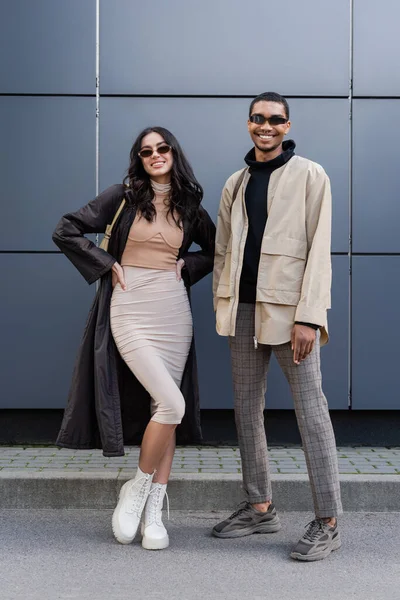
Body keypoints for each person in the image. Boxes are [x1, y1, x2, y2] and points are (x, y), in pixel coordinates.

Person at [53, 126, 215, 550]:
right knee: (173, 402)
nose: (156, 155)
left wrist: (190, 266)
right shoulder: (121, 195)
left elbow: (218, 250)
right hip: (130, 307)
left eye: (162, 148)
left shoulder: (189, 203)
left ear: (174, 152)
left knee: (166, 408)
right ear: (139, 159)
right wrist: (106, 263)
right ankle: (137, 489)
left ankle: (154, 512)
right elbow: (66, 229)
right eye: (147, 151)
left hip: (173, 310)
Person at [212, 92, 342, 561]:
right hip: (244, 311)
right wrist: (224, 306)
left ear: (287, 125)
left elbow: (320, 249)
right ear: (248, 123)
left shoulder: (310, 174)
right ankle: (260, 506)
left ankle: (328, 520)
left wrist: (310, 316)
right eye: (258, 118)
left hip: (292, 314)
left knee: (311, 410)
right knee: (246, 409)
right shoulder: (236, 181)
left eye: (275, 120)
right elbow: (225, 250)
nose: (266, 126)